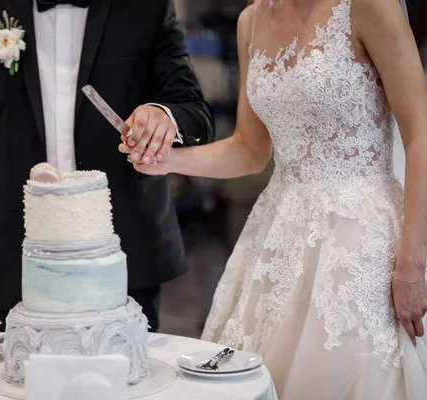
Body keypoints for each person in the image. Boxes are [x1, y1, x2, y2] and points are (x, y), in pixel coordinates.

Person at [122, 0, 427, 397]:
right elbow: (250, 149)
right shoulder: (251, 20)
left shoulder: (367, 5)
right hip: (278, 235)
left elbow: (420, 134)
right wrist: (166, 160)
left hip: (361, 239)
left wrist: (411, 264)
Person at [0, 0, 214, 333]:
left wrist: (163, 116)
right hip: (16, 262)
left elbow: (195, 114)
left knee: (126, 380)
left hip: (124, 258)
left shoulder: (146, 11)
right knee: (17, 382)